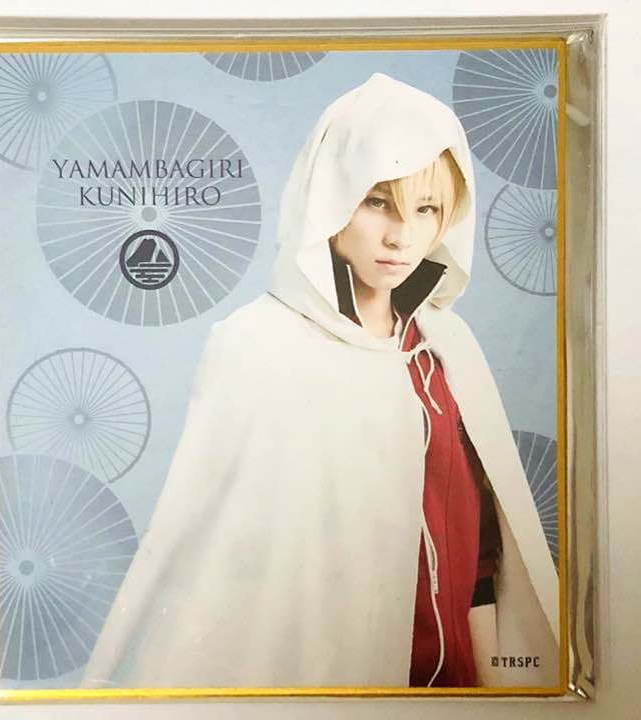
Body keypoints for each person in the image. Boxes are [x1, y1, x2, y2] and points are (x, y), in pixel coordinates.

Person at [81, 72, 559, 690]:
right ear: (330, 198)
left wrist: (492, 689)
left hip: (453, 680)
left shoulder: (448, 346)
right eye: (377, 202)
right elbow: (217, 565)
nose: (401, 235)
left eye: (426, 209)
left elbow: (483, 544)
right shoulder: (257, 344)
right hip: (332, 680)